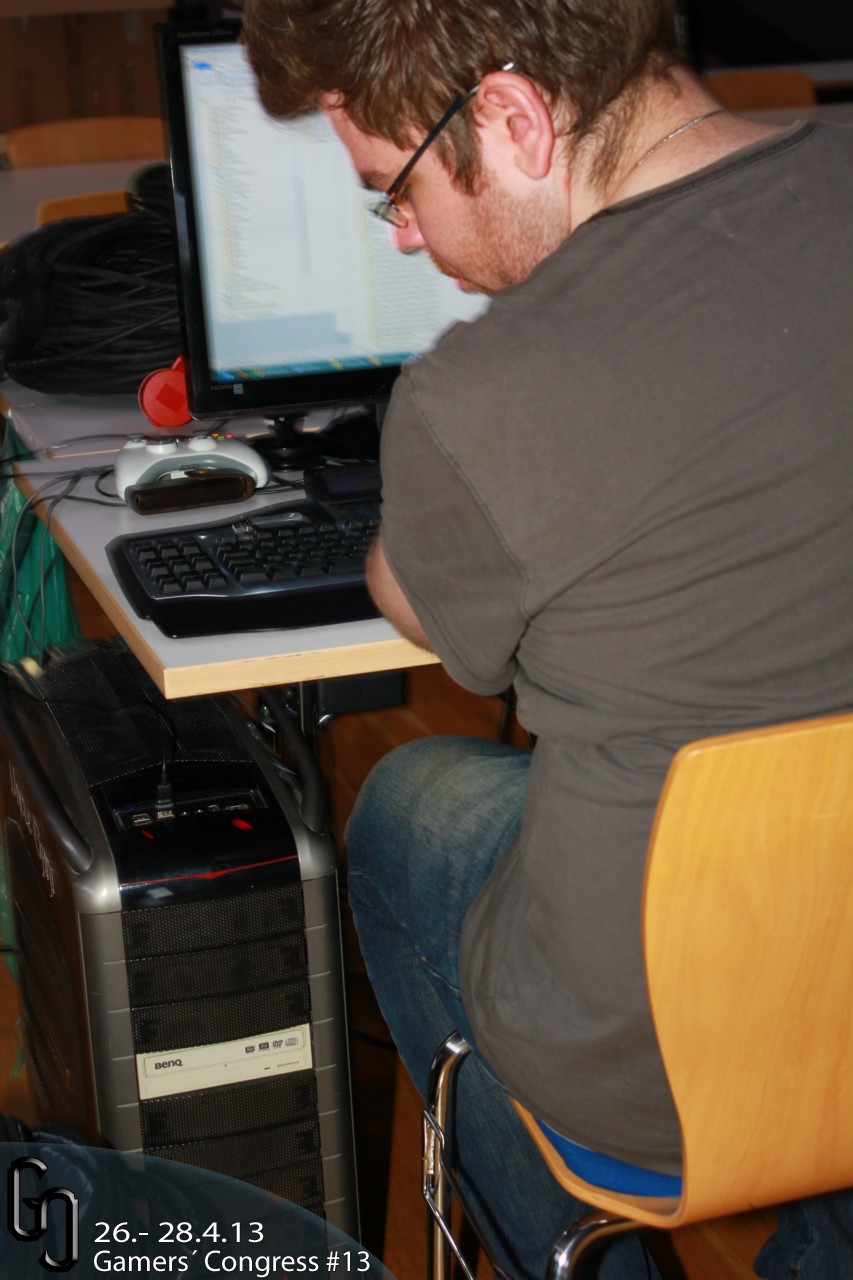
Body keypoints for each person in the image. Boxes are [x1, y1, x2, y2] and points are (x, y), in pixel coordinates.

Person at [242, 2, 853, 1276]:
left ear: (514, 118)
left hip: (679, 1070)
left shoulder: (484, 392)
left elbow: (420, 604)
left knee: (409, 803)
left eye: (394, 190)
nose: (403, 235)